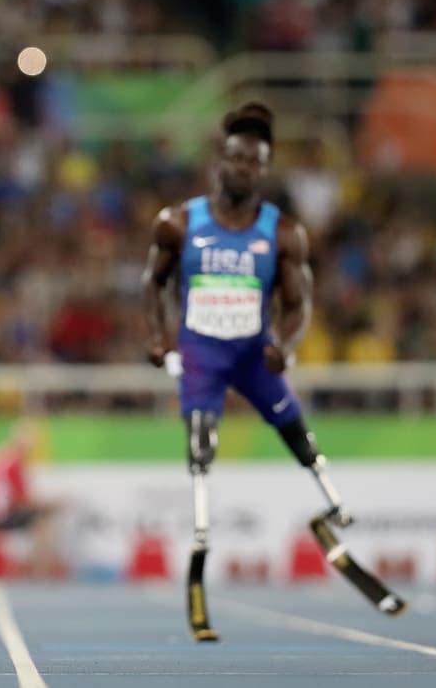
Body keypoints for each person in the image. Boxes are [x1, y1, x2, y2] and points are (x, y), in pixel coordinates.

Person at [141, 102, 364, 639]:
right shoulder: (178, 223)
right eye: (236, 157)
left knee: (293, 426)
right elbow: (154, 282)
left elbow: (299, 301)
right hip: (202, 353)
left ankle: (333, 507)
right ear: (221, 159)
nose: (243, 168)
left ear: (265, 169)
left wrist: (287, 345)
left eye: (254, 161)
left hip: (253, 353)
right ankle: (201, 544)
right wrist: (159, 337)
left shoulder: (283, 233)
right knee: (201, 443)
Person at [0, 419, 64, 578]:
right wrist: (51, 504)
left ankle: (34, 568)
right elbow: (21, 501)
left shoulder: (0, 455)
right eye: (32, 444)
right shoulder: (12, 462)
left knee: (40, 516)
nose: (32, 448)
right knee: (44, 523)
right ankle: (38, 573)